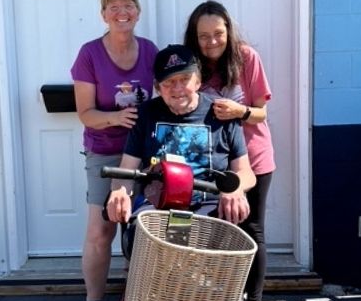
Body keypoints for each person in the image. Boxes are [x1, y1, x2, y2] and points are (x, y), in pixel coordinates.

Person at [184, 1, 275, 301]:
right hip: (211, 164)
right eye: (204, 36)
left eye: (218, 34)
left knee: (252, 230)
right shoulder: (192, 66)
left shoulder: (247, 57)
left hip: (254, 158)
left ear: (228, 31)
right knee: (213, 232)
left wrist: (240, 110)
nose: (211, 42)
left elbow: (262, 112)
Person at [71, 0, 158, 301]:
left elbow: (171, 90)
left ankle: (141, 299)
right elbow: (85, 113)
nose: (122, 12)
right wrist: (115, 119)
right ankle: (93, 300)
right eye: (114, 6)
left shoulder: (151, 51)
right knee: (101, 229)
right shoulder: (90, 54)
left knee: (147, 227)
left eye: (129, 4)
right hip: (105, 151)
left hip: (145, 151)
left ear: (138, 10)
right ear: (103, 14)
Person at [104, 44, 255, 228]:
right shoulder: (145, 114)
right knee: (139, 233)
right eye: (168, 82)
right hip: (157, 206)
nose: (177, 88)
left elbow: (246, 173)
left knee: (223, 233)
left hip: (209, 205)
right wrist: (119, 191)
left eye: (185, 79)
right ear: (158, 87)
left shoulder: (223, 113)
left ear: (198, 82)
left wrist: (235, 189)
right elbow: (126, 169)